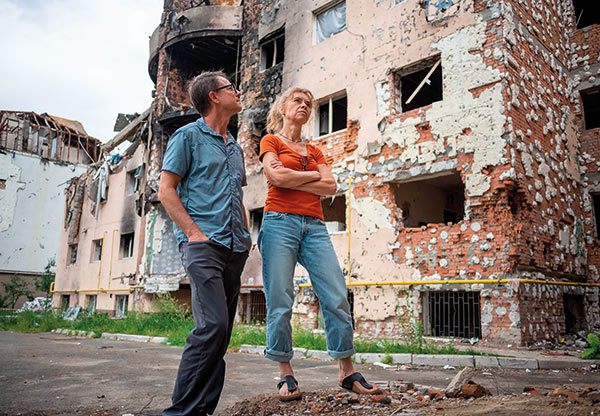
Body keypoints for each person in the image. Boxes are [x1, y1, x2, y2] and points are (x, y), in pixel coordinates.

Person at [258, 87, 381, 402]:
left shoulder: (314, 150)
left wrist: (291, 177)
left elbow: (331, 186)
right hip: (278, 223)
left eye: (308, 104)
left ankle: (347, 370)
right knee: (280, 300)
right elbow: (276, 177)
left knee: (336, 296)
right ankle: (286, 374)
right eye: (297, 100)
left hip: (314, 225)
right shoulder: (270, 141)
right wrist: (308, 179)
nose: (303, 106)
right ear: (283, 108)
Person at [158, 70, 251, 416]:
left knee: (221, 336)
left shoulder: (234, 147)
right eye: (231, 87)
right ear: (214, 96)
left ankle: (203, 410)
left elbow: (235, 195)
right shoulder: (187, 137)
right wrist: (194, 234)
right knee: (212, 326)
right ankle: (180, 412)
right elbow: (166, 190)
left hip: (234, 247)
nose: (238, 91)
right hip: (204, 245)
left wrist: (245, 234)